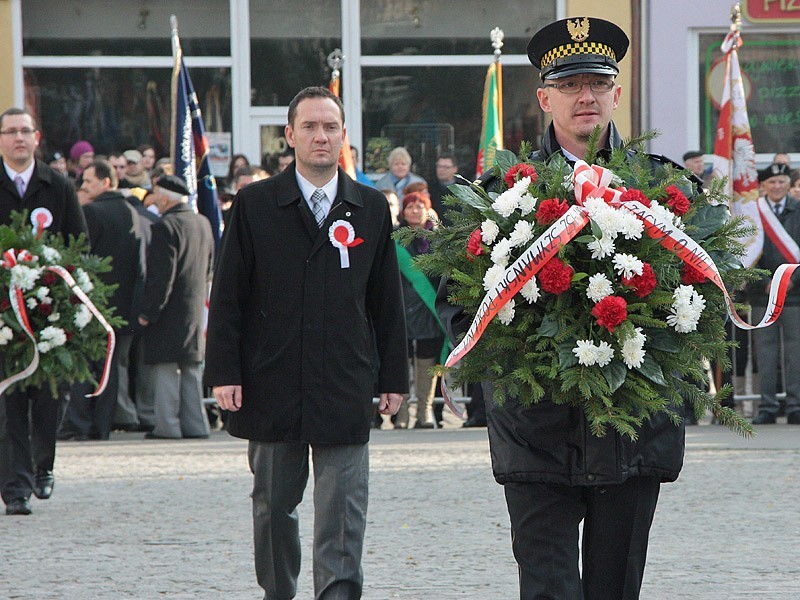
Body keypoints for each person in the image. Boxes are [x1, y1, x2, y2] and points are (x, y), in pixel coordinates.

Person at [447, 18, 686, 599]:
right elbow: (462, 310)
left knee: (614, 589)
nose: (586, 97)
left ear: (617, 94)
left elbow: (695, 315)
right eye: (571, 84)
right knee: (548, 587)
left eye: (598, 84)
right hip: (535, 431)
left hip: (632, 435)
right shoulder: (502, 194)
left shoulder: (663, 190)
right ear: (544, 96)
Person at [204, 86, 407, 599]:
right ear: (290, 135)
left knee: (343, 510)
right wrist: (224, 371)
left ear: (344, 136)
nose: (321, 136)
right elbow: (227, 296)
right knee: (274, 505)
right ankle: (279, 591)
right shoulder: (253, 205)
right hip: (271, 379)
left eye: (331, 127)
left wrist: (394, 379)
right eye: (310, 127)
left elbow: (386, 303)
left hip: (344, 378)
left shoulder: (370, 209)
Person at [0, 107, 88, 515]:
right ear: (1, 139)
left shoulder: (59, 185)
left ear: (37, 138)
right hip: (5, 310)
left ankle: (42, 466)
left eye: (25, 131)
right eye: (11, 131)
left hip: (50, 306)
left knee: (50, 396)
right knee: (10, 397)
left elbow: (79, 242)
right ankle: (14, 486)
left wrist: (66, 285)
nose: (19, 138)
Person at [58, 160, 146, 440]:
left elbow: (78, 256)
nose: (83, 187)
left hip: (91, 302)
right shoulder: (133, 212)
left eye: (88, 182)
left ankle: (79, 424)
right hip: (122, 305)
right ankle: (102, 425)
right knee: (112, 366)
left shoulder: (91, 212)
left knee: (84, 365)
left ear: (106, 182)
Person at [135, 174, 214, 440]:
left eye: (157, 193)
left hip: (169, 311)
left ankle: (167, 426)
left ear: (166, 198)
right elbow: (210, 267)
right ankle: (196, 425)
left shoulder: (166, 226)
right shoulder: (202, 223)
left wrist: (149, 312)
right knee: (191, 369)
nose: (154, 198)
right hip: (194, 308)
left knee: (165, 368)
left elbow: (161, 277)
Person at [750, 163, 800, 425]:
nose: (777, 186)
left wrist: (792, 279)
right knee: (766, 354)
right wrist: (764, 281)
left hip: (795, 296)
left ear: (787, 184)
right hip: (763, 296)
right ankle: (767, 407)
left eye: (781, 181)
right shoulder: (755, 212)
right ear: (764, 186)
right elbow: (746, 252)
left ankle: (795, 406)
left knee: (796, 353)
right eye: (772, 182)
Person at [395, 191, 444, 429]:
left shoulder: (436, 239)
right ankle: (402, 413)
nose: (414, 211)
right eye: (410, 206)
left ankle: (424, 412)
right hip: (401, 306)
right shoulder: (392, 239)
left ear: (428, 210)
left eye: (419, 206)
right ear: (403, 212)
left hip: (428, 308)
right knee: (400, 360)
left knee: (427, 358)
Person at [428, 153, 459, 222]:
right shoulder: (429, 188)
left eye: (446, 167)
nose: (442, 170)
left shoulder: (462, 188)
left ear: (455, 169)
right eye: (439, 166)